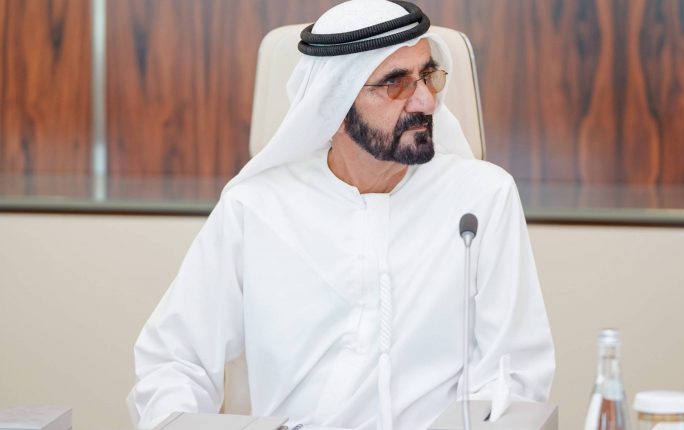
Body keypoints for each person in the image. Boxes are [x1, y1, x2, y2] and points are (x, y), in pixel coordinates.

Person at [127, 1, 554, 429]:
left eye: (427, 76)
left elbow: (512, 377)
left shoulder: (481, 199)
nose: (426, 100)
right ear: (332, 106)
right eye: (396, 84)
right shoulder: (255, 208)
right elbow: (174, 363)